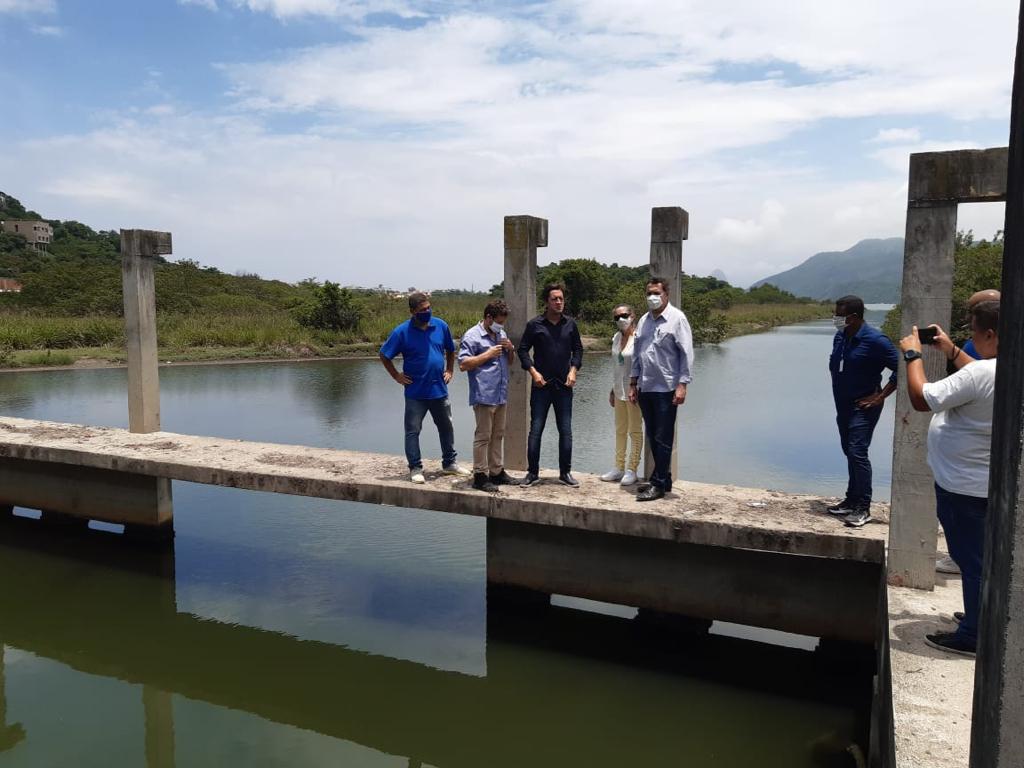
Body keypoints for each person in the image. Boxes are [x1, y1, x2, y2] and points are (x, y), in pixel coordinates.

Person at [899, 299, 999, 657]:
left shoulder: (981, 372)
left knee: (971, 562)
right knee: (981, 559)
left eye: (974, 331)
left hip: (964, 487)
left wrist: (913, 355)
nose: (972, 336)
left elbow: (922, 398)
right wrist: (952, 350)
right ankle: (981, 616)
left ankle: (973, 635)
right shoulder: (1001, 367)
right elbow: (980, 376)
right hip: (983, 483)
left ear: (990, 334)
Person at [379, 292, 470, 483]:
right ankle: (415, 468)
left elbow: (451, 349)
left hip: (439, 390)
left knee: (446, 427)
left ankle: (449, 464)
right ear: (412, 312)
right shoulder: (402, 332)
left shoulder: (441, 326)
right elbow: (384, 355)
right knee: (413, 431)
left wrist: (450, 370)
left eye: (428, 308)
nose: (427, 312)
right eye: (422, 310)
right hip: (415, 392)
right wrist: (396, 376)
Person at [827, 295, 898, 527]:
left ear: (854, 317)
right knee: (849, 450)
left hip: (863, 406)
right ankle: (851, 499)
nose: (835, 319)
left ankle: (863, 508)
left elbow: (903, 367)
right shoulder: (841, 336)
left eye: (840, 315)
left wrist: (880, 396)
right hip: (843, 405)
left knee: (858, 451)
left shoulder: (876, 340)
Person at [628, 277, 693, 501]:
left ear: (666, 295)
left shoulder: (677, 319)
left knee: (663, 437)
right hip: (646, 386)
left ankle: (658, 484)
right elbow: (637, 354)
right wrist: (633, 383)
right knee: (653, 436)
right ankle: (664, 479)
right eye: (649, 293)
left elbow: (686, 354)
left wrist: (682, 384)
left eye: (656, 293)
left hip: (666, 387)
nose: (652, 297)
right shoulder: (644, 320)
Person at [517, 282, 584, 487]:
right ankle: (532, 473)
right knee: (536, 430)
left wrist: (573, 370)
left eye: (561, 299)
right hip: (541, 386)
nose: (558, 302)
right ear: (547, 301)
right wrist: (533, 372)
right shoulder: (534, 325)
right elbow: (522, 350)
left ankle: (565, 473)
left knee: (566, 430)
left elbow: (578, 350)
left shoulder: (570, 324)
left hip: (564, 386)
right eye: (554, 299)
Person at [458, 300, 520, 492]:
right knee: (483, 436)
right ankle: (480, 475)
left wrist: (510, 349)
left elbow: (510, 362)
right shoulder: (472, 336)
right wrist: (488, 354)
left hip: (500, 393)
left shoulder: (501, 334)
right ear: (488, 317)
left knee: (498, 434)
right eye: (499, 322)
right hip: (484, 394)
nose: (501, 326)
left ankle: (496, 471)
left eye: (503, 322)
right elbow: (463, 364)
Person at [601, 304, 642, 486]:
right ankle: (618, 467)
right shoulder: (616, 338)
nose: (620, 319)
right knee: (620, 429)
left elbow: (642, 365)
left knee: (635, 431)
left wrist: (636, 386)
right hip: (618, 390)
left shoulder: (639, 338)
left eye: (624, 315)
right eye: (617, 317)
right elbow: (617, 367)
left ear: (632, 316)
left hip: (634, 391)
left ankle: (632, 469)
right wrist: (612, 389)